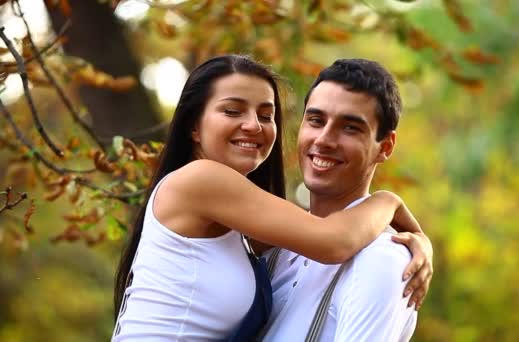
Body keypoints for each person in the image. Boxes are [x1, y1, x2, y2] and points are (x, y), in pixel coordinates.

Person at [112, 55, 430, 341]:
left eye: (266, 115)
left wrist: (414, 241)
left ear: (385, 146)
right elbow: (334, 241)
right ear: (194, 126)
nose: (253, 125)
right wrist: (391, 203)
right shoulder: (201, 180)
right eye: (232, 110)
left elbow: (321, 230)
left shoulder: (248, 229)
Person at [260, 59, 432, 341]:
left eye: (350, 128)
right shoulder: (277, 249)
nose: (325, 139)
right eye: (316, 120)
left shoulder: (382, 260)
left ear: (385, 146)